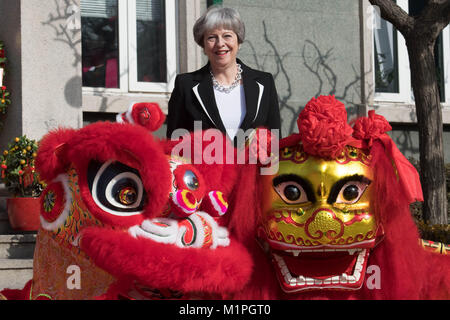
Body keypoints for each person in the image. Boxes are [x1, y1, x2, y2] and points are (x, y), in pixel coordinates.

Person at [166, 5, 281, 143]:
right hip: (204, 164)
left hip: (253, 164)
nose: (220, 43)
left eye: (227, 35)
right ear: (203, 46)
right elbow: (174, 143)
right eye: (211, 37)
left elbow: (275, 142)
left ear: (239, 41)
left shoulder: (264, 82)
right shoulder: (185, 85)